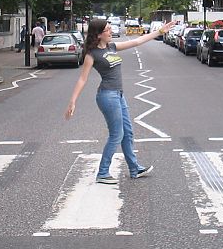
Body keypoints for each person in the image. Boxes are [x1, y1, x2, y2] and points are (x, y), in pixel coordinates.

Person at [64, 18, 175, 184]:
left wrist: (159, 32)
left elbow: (138, 41)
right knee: (117, 134)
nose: (111, 32)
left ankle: (134, 169)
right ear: (99, 34)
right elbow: (82, 79)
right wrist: (72, 101)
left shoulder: (112, 47)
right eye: (108, 30)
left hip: (119, 95)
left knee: (127, 133)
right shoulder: (92, 54)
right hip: (107, 96)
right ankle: (102, 172)